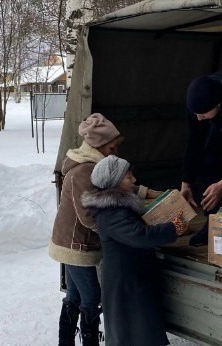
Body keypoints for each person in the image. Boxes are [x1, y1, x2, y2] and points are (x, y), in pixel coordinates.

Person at [48, 113, 159, 346]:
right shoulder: (83, 172)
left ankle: (65, 342)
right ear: (98, 145)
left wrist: (144, 192)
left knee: (75, 296)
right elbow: (88, 216)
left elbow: (113, 184)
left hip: (77, 242)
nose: (115, 152)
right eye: (111, 147)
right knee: (91, 297)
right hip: (76, 244)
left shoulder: (96, 166)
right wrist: (118, 232)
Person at [82, 155, 188, 346]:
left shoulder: (115, 208)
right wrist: (173, 228)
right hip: (127, 286)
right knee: (136, 336)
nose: (134, 180)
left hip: (130, 281)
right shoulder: (113, 212)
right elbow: (140, 236)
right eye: (127, 176)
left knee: (137, 335)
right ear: (114, 182)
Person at [180, 69, 222, 246]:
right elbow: (194, 142)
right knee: (208, 160)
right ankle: (211, 221)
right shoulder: (197, 107)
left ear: (218, 105)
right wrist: (186, 182)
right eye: (195, 113)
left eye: (203, 114)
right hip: (218, 123)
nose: (198, 118)